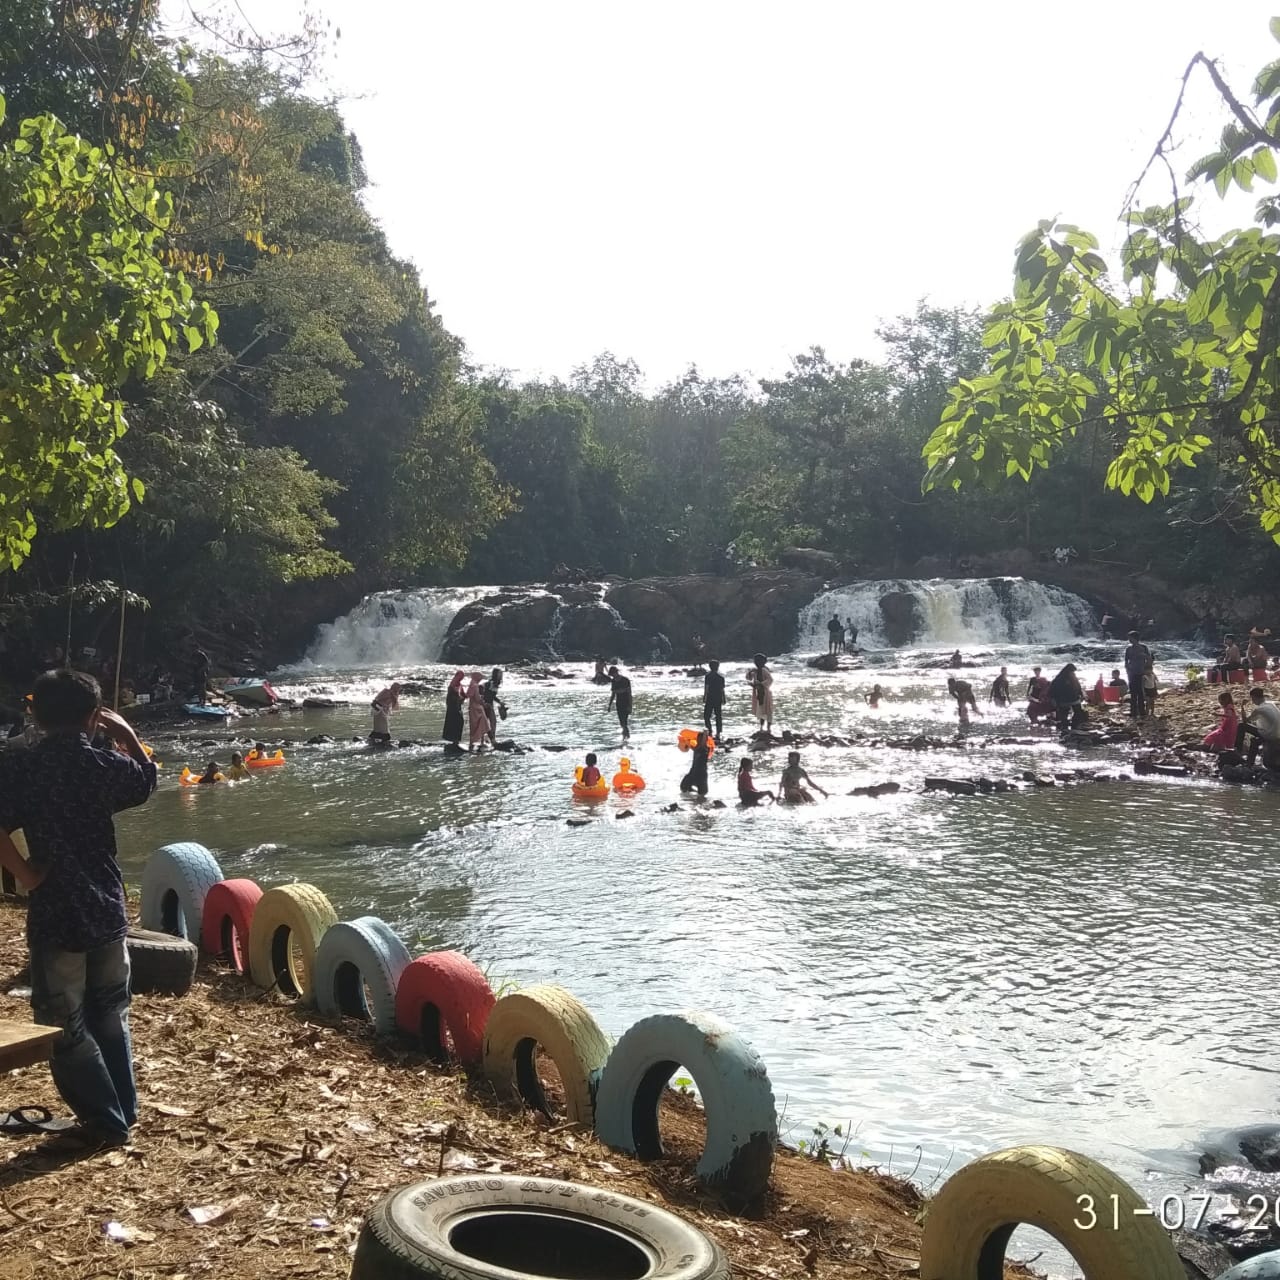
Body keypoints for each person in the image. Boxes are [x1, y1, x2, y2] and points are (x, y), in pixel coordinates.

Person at [0, 668, 157, 1147]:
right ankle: (121, 1112)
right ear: (94, 717)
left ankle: (105, 1123)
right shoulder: (106, 764)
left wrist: (26, 875)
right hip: (108, 905)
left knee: (63, 1023)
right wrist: (126, 732)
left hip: (57, 909)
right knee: (111, 1012)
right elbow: (145, 779)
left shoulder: (22, 766)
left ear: (34, 714)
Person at [1236, 686, 1280, 767]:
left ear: (1254, 697)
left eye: (1252, 699)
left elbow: (1245, 721)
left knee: (1241, 726)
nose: (1252, 701)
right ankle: (1249, 763)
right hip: (1277, 734)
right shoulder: (1271, 704)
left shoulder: (1259, 709)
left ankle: (1238, 750)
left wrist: (1242, 707)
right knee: (1254, 740)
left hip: (1269, 735)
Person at [1048, 663, 1085, 732]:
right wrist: (1053, 699)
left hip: (1074, 698)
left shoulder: (1073, 677)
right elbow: (1052, 689)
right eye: (1072, 671)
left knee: (1078, 712)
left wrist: (1081, 694)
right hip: (1063, 700)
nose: (1072, 673)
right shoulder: (1059, 679)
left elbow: (1078, 686)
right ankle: (1065, 728)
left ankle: (1074, 726)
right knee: (1064, 715)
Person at [1124, 631, 1151, 719]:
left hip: (1141, 673)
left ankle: (1142, 711)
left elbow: (1149, 659)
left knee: (1141, 693)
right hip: (1132, 673)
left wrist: (1147, 670)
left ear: (1135, 638)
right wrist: (1128, 671)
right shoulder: (1129, 649)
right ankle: (1133, 712)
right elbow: (1126, 661)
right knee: (1133, 693)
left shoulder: (1144, 648)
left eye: (1130, 638)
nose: (1129, 640)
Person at [747, 654, 773, 733]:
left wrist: (761, 684)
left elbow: (770, 680)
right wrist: (750, 672)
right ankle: (761, 727)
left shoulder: (764, 670)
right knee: (761, 710)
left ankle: (768, 728)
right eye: (755, 661)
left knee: (768, 710)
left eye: (757, 661)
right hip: (758, 692)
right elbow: (749, 678)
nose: (755, 662)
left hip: (765, 692)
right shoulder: (755, 670)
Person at [680, 730, 711, 796]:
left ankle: (701, 803)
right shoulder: (696, 747)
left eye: (701, 739)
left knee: (703, 793)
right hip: (693, 772)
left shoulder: (705, 748)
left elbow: (702, 745)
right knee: (683, 788)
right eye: (698, 739)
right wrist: (685, 741)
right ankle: (690, 793)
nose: (699, 740)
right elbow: (690, 746)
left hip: (701, 774)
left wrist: (705, 734)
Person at [607, 665, 633, 741]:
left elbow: (629, 694)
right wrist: (610, 705)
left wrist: (630, 706)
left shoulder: (625, 680)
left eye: (613, 674)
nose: (612, 676)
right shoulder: (613, 681)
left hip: (626, 702)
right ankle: (625, 737)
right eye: (611, 675)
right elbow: (613, 694)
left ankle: (626, 737)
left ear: (616, 672)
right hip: (619, 703)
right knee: (621, 722)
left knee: (624, 722)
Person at [481, 668, 506, 744]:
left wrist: (500, 702)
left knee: (490, 722)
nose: (501, 675)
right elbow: (486, 694)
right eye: (499, 673)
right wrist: (486, 704)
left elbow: (493, 696)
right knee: (490, 722)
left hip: (489, 704)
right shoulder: (490, 683)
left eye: (501, 674)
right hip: (486, 705)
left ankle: (488, 739)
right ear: (495, 674)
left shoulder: (496, 683)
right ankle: (489, 740)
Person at [702, 659, 726, 739]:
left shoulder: (708, 676)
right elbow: (722, 689)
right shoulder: (721, 677)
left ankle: (710, 731)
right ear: (717, 667)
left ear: (710, 667)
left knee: (706, 716)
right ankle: (719, 732)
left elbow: (706, 687)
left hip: (710, 698)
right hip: (718, 697)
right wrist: (724, 698)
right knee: (718, 715)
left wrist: (704, 696)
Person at [442, 670, 465, 747]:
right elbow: (450, 697)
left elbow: (464, 695)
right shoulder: (452, 685)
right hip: (452, 707)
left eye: (462, 677)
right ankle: (454, 740)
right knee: (454, 722)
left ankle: (457, 740)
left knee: (460, 722)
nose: (461, 678)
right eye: (460, 676)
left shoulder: (460, 685)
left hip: (458, 706)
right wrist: (458, 698)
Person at [466, 673, 488, 752]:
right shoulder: (475, 686)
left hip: (472, 707)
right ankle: (482, 742)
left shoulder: (471, 684)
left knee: (473, 725)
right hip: (478, 708)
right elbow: (478, 698)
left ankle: (471, 743)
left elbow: (468, 695)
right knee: (483, 723)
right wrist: (484, 704)